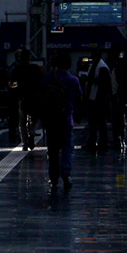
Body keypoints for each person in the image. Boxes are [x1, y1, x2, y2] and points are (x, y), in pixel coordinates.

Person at [36, 51, 83, 192]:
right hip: (67, 120)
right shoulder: (74, 80)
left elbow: (39, 95)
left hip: (51, 120)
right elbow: (79, 99)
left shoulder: (48, 78)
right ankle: (66, 174)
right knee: (67, 148)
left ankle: (53, 177)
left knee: (53, 150)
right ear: (69, 64)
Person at [9, 48, 43, 150]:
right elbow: (41, 82)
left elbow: (11, 84)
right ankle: (32, 133)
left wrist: (16, 87)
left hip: (22, 97)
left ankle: (24, 143)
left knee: (22, 121)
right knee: (34, 118)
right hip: (34, 97)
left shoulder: (16, 69)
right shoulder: (35, 68)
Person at [84, 49, 115, 151]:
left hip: (99, 99)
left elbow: (104, 84)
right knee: (95, 122)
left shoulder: (101, 68)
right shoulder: (98, 66)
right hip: (95, 98)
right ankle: (96, 142)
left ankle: (101, 142)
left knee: (99, 122)